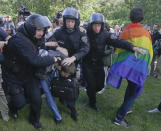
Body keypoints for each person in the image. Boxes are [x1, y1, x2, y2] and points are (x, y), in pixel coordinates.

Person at [2, 14, 59, 129]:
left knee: (37, 100)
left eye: (43, 30)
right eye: (39, 30)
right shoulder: (19, 40)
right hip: (14, 75)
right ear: (31, 28)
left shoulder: (36, 37)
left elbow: (41, 49)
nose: (41, 33)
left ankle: (34, 120)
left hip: (29, 74)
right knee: (20, 103)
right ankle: (13, 108)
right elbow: (35, 60)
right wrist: (53, 59)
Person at [83, 13, 146, 111]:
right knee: (91, 85)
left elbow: (119, 42)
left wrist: (132, 47)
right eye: (95, 25)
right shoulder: (85, 32)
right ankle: (92, 102)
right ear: (91, 25)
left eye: (99, 25)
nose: (97, 27)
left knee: (100, 86)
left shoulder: (106, 35)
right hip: (87, 64)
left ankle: (90, 91)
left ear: (102, 25)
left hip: (99, 64)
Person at [106, 8, 153, 127]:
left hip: (126, 67)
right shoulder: (145, 33)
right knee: (133, 92)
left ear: (130, 17)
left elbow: (120, 48)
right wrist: (146, 66)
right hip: (137, 68)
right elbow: (148, 52)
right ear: (141, 17)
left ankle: (125, 109)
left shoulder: (125, 31)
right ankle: (119, 118)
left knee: (131, 88)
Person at [48, 7, 90, 120]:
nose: (70, 23)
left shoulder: (81, 33)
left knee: (71, 86)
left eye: (72, 21)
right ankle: (62, 99)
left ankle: (72, 110)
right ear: (64, 20)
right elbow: (49, 43)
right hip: (59, 63)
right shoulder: (58, 32)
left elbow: (86, 48)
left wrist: (73, 58)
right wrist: (57, 48)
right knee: (60, 83)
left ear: (76, 22)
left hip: (73, 64)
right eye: (68, 21)